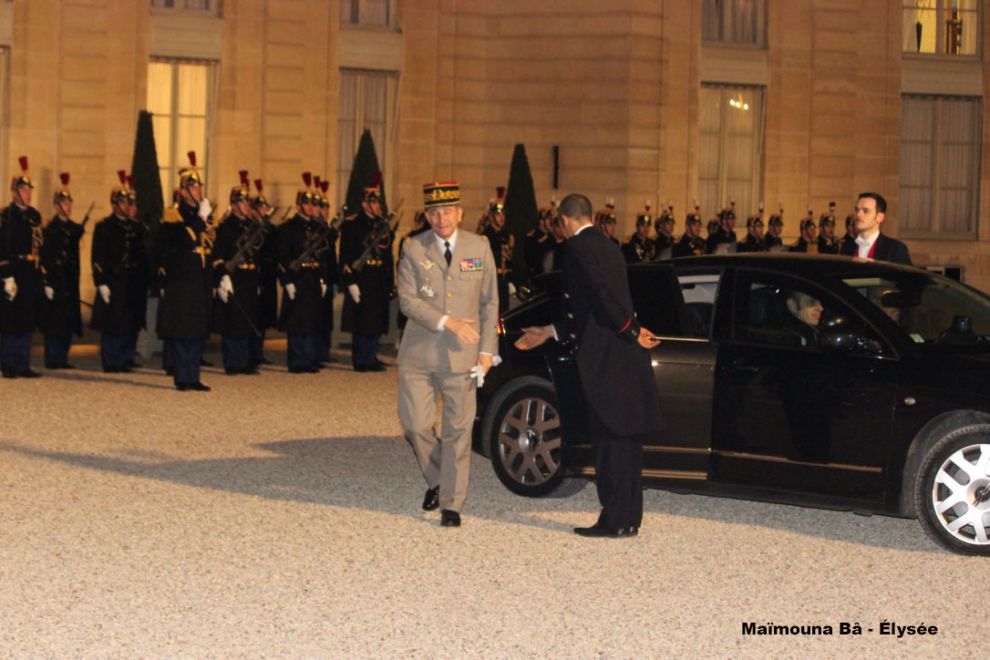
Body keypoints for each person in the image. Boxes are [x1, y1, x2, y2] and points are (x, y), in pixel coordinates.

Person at [515, 192, 663, 538]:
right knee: (626, 444)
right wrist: (551, 331)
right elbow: (590, 311)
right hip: (621, 353)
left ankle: (612, 521)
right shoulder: (610, 245)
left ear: (564, 221)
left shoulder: (578, 250)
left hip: (606, 358)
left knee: (609, 442)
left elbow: (602, 298)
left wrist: (633, 331)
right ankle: (628, 519)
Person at [397, 180, 499, 528]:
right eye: (434, 212)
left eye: (447, 211)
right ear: (427, 216)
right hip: (419, 354)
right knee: (415, 424)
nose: (441, 218)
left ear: (459, 212)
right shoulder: (412, 247)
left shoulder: (480, 246)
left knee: (457, 429)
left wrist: (487, 352)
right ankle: (440, 480)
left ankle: (451, 503)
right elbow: (408, 301)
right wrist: (447, 321)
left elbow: (489, 303)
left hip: (463, 356)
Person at [156, 153, 214, 391]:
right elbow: (185, 239)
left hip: (199, 280)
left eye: (199, 187)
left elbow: (208, 247)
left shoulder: (200, 217)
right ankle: (182, 377)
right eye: (194, 188)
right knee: (182, 331)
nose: (199, 191)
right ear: (184, 191)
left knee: (196, 331)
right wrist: (201, 219)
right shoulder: (174, 215)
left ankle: (193, 375)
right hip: (181, 281)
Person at [275, 173, 330, 373]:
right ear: (298, 205)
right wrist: (286, 281)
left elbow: (322, 255)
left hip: (313, 277)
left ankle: (309, 358)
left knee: (312, 319)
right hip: (297, 278)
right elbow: (281, 257)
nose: (310, 207)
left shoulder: (317, 227)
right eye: (305, 203)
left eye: (311, 203)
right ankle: (297, 361)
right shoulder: (288, 229)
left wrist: (323, 278)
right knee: (297, 321)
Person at [339, 181, 394, 372]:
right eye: (374, 202)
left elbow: (388, 257)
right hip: (362, 278)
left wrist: (389, 283)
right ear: (364, 204)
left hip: (378, 278)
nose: (379, 206)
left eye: (379, 202)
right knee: (362, 321)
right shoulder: (352, 225)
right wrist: (350, 282)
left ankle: (371, 356)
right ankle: (361, 359)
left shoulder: (383, 226)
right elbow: (345, 256)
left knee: (376, 320)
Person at [212, 172, 263, 375]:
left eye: (247, 201)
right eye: (242, 201)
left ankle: (246, 360)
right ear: (233, 205)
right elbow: (218, 255)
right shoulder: (225, 227)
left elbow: (257, 253)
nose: (247, 205)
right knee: (234, 321)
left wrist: (258, 279)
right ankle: (234, 362)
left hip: (250, 278)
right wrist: (222, 277)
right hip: (235, 277)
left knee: (249, 318)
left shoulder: (252, 226)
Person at [0, 156, 43, 378]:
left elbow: (39, 245)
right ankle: (8, 363)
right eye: (24, 190)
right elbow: (2, 248)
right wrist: (6, 276)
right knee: (11, 320)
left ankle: (23, 362)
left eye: (29, 190)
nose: (28, 194)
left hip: (30, 272)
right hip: (14, 271)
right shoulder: (6, 216)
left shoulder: (34, 215)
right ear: (15, 192)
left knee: (27, 319)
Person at [40, 172, 86, 369]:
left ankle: (63, 357)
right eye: (65, 204)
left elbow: (76, 233)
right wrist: (48, 282)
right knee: (54, 323)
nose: (69, 207)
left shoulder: (73, 228)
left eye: (69, 203)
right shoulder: (50, 230)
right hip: (56, 280)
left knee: (67, 321)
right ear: (57, 206)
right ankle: (52, 358)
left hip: (69, 280)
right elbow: (46, 257)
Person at [840, 192, 912, 265]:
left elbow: (906, 276)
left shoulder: (895, 249)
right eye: (857, 210)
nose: (858, 214)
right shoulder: (846, 248)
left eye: (865, 211)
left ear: (879, 217)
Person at [251, 178, 278, 366]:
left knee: (265, 315)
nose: (265, 210)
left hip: (268, 273)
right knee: (255, 314)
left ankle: (259, 350)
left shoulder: (270, 227)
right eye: (262, 207)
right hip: (256, 273)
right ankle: (252, 352)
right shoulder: (252, 227)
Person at [481, 186, 515, 312]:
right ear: (491, 217)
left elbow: (510, 258)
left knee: (505, 311)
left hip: (504, 279)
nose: (501, 217)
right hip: (491, 279)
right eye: (497, 214)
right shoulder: (486, 235)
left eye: (503, 214)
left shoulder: (506, 235)